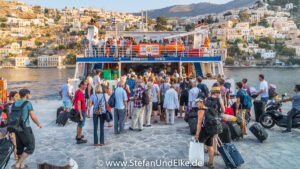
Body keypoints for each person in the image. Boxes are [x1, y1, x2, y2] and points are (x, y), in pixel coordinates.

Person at [13, 89, 42, 169]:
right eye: (29, 94)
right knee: (31, 147)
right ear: (26, 94)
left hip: (16, 128)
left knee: (20, 148)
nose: (29, 95)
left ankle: (21, 166)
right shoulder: (28, 103)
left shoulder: (14, 103)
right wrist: (38, 124)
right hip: (25, 128)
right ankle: (18, 164)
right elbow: (32, 116)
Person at [194, 98, 215, 169]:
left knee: (199, 145)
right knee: (210, 146)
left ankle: (197, 162)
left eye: (197, 103)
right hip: (211, 130)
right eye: (196, 103)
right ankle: (210, 163)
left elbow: (199, 123)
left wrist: (197, 134)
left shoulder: (201, 110)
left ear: (201, 102)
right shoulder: (208, 109)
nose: (196, 104)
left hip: (204, 130)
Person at [3, 91, 19, 160]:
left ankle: (16, 155)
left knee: (13, 139)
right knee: (14, 140)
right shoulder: (9, 104)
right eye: (15, 96)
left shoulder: (6, 104)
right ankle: (16, 156)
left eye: (17, 96)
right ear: (12, 96)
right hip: (10, 125)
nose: (17, 97)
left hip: (11, 124)